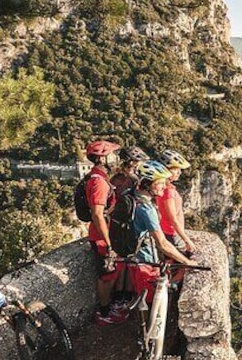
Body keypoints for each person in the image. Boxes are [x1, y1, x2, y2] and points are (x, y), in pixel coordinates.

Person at [101, 160, 197, 324]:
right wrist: (187, 262)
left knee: (143, 296)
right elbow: (162, 244)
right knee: (151, 303)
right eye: (160, 183)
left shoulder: (129, 196)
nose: (163, 187)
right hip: (145, 263)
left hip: (132, 258)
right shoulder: (146, 209)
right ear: (148, 184)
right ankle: (148, 340)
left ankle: (145, 330)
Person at [84, 139, 121, 325]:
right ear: (103, 158)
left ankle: (108, 307)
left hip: (100, 234)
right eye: (113, 154)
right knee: (106, 275)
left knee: (111, 273)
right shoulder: (99, 183)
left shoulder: (97, 177)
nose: (117, 158)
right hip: (101, 237)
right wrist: (109, 243)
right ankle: (104, 313)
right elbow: (98, 214)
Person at [156, 149, 196, 254]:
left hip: (166, 230)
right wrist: (187, 240)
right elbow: (173, 219)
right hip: (172, 233)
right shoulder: (168, 191)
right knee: (177, 263)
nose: (179, 172)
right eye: (176, 169)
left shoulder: (161, 187)